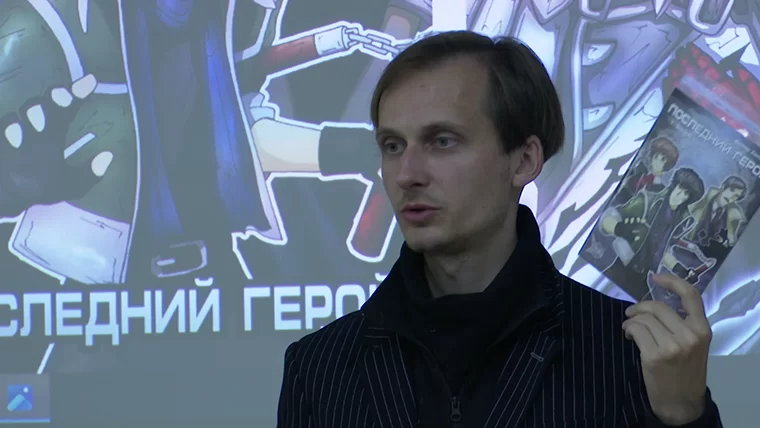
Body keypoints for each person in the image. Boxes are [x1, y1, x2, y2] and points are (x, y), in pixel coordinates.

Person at [277, 31, 722, 427]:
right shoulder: (319, 369)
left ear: (524, 161)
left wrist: (684, 417)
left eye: (442, 141)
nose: (406, 174)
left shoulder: (626, 352)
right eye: (393, 145)